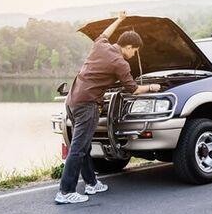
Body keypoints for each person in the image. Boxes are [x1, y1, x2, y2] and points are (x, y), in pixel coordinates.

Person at [55, 11, 161, 204]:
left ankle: (91, 183)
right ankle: (65, 191)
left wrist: (119, 20)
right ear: (129, 47)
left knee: (83, 146)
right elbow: (134, 89)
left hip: (72, 100)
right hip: (87, 105)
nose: (133, 55)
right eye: (134, 51)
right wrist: (152, 87)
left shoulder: (101, 45)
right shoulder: (120, 62)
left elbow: (105, 33)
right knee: (78, 148)